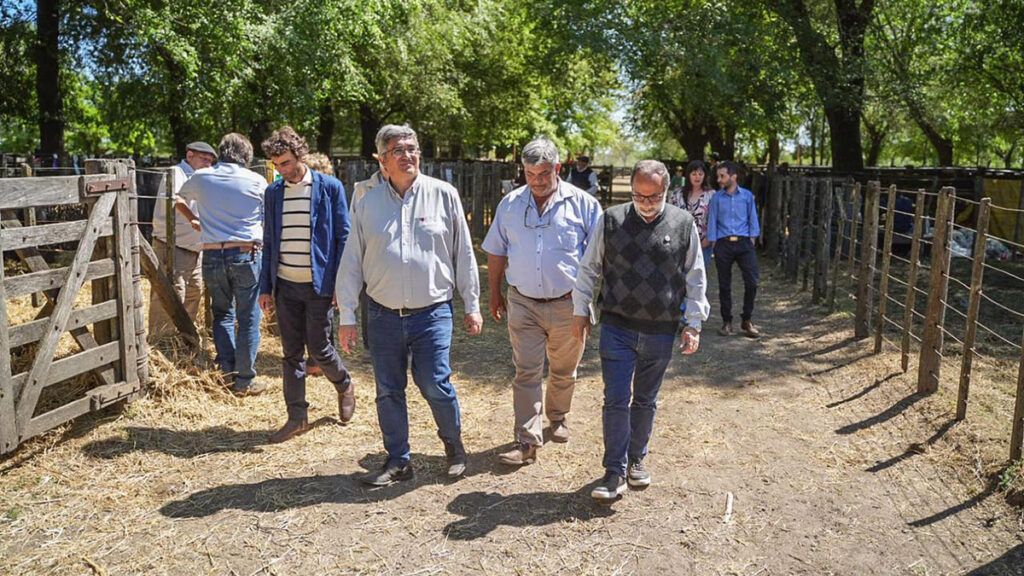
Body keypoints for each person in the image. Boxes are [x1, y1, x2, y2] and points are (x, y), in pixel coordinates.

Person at [335, 124, 483, 485]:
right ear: (382, 160)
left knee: (434, 382)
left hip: (432, 312)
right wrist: (347, 315)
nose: (407, 156)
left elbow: (463, 253)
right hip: (382, 313)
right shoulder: (367, 201)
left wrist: (472, 304)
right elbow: (352, 260)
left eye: (412, 148)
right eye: (398, 150)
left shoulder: (443, 194)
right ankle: (398, 460)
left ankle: (454, 447)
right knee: (388, 389)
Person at [571, 159, 709, 502]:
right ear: (631, 189)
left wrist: (693, 323)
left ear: (666, 191)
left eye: (654, 197)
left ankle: (637, 459)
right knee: (616, 399)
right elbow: (588, 268)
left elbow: (695, 276)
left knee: (646, 400)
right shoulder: (611, 220)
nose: (646, 203)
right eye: (638, 196)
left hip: (660, 329)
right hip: (617, 326)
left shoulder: (683, 224)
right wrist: (581, 310)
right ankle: (613, 470)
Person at [482, 137, 602, 466]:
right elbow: (496, 251)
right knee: (526, 371)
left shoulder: (583, 204)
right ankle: (526, 440)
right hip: (523, 302)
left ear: (558, 168)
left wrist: (589, 303)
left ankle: (558, 416)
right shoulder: (510, 204)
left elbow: (598, 257)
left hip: (569, 303)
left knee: (564, 369)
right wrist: (494, 293)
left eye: (544, 174)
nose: (536, 181)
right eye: (530, 174)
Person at [258, 127, 355, 443]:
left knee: (319, 348)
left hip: (319, 285)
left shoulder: (329, 188)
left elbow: (343, 237)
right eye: (276, 165)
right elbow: (269, 241)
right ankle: (297, 417)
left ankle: (343, 383)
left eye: (286, 163)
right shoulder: (273, 193)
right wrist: (265, 287)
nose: (281, 170)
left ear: (300, 155)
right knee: (291, 353)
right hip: (286, 285)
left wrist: (341, 284)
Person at [175, 133, 267, 395]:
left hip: (213, 253)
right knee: (249, 316)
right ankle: (245, 379)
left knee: (222, 313)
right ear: (246, 155)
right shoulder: (256, 180)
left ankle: (226, 371)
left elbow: (178, 198)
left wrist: (194, 219)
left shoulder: (202, 177)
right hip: (246, 253)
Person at [149, 141, 216, 339]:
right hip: (172, 246)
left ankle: (183, 338)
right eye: (204, 159)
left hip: (195, 248)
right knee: (170, 294)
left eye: (211, 161)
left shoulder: (202, 178)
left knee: (194, 292)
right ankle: (161, 341)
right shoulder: (176, 173)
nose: (208, 164)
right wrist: (193, 218)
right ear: (190, 156)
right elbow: (175, 199)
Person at [707, 160, 761, 338]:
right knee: (724, 284)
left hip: (744, 243)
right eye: (718, 176)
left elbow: (752, 218)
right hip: (723, 244)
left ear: (733, 176)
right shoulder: (716, 198)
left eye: (722, 176)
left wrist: (752, 239)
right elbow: (712, 220)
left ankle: (747, 320)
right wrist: (714, 243)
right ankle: (727, 322)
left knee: (752, 282)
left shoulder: (747, 196)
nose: (719, 179)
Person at [670, 159, 716, 265]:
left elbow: (715, 219)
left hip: (703, 243)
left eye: (700, 174)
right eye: (694, 174)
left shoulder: (711, 195)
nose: (697, 177)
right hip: (680, 243)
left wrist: (708, 239)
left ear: (705, 176)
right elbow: (670, 217)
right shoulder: (677, 194)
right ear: (688, 175)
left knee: (700, 274)